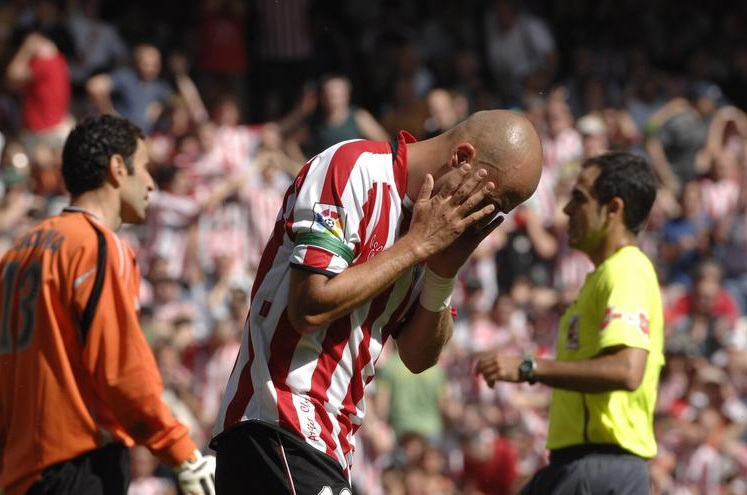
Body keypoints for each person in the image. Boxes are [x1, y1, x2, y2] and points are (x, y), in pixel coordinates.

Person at [212, 109, 544, 494]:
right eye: (490, 200)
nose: (483, 219)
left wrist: (442, 273)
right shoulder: (354, 169)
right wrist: (416, 246)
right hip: (279, 420)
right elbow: (309, 306)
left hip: (329, 440)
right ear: (462, 158)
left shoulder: (435, 226)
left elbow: (419, 357)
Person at [0, 115, 214, 495]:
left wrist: (1, 461)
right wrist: (182, 451)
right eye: (146, 167)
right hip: (81, 462)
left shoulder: (14, 257)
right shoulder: (98, 246)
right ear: (118, 168)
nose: (151, 182)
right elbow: (121, 366)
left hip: (21, 475)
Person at [476, 152, 663, 494]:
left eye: (580, 198)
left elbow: (626, 370)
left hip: (601, 468)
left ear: (614, 209)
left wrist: (530, 368)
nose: (565, 210)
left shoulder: (627, 271)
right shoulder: (601, 277)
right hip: (579, 465)